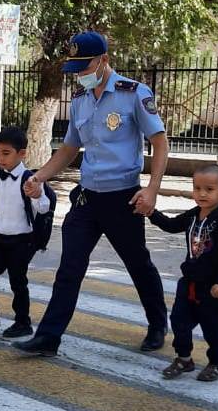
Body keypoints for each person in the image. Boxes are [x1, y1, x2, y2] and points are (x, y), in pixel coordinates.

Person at [14, 30, 169, 357]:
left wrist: (152, 189)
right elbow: (69, 148)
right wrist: (39, 176)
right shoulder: (80, 101)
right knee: (69, 268)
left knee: (137, 264)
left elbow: (159, 142)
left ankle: (157, 325)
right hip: (87, 198)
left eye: (85, 68)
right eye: (77, 70)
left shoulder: (134, 94)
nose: (81, 75)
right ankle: (48, 337)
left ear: (104, 60)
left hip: (123, 199)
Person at [151, 164, 218, 382]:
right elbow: (172, 225)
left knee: (212, 326)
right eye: (197, 188)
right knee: (179, 321)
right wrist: (151, 213)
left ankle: (217, 363)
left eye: (209, 189)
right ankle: (184, 359)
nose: (201, 194)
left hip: (213, 287)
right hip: (190, 282)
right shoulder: (194, 215)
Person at [0, 126, 52, 338]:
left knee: (18, 282)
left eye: (6, 153)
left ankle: (22, 322)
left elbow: (44, 208)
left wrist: (36, 194)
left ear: (22, 153)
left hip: (22, 241)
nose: (0, 158)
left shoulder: (31, 179)